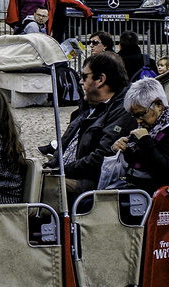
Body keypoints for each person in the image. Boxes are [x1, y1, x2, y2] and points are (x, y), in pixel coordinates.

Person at [45, 51, 135, 195]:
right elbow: (64, 147)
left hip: (89, 184)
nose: (81, 82)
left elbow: (101, 158)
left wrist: (61, 170)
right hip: (68, 174)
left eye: (84, 77)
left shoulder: (123, 110)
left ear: (101, 79)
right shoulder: (89, 108)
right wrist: (49, 168)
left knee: (43, 188)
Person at [110, 78, 169, 192]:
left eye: (141, 114)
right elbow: (142, 162)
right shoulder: (152, 128)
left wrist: (145, 140)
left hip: (150, 196)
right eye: (135, 116)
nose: (138, 121)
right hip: (137, 190)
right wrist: (124, 149)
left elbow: (166, 173)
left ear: (158, 104)